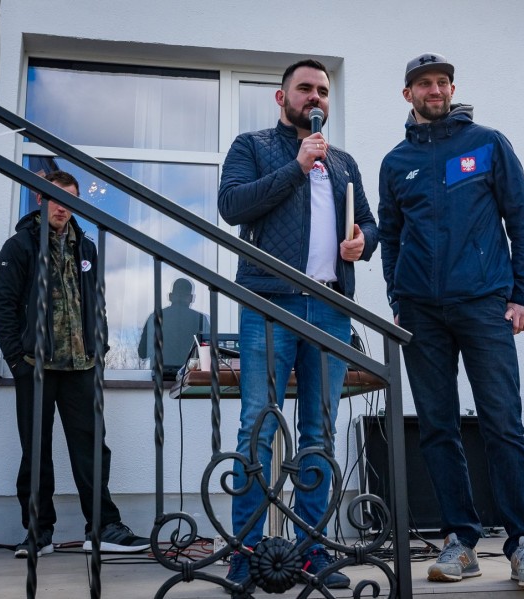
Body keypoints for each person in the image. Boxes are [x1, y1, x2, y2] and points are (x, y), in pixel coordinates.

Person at [378, 53, 524, 590]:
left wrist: (523, 295)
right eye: (423, 83)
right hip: (421, 312)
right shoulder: (396, 162)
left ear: (452, 89)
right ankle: (460, 540)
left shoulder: (487, 144)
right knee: (437, 427)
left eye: (442, 82)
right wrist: (397, 296)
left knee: (502, 422)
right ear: (407, 94)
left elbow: (523, 220)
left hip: (484, 304)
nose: (434, 90)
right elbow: (391, 235)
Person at [218, 59, 377, 589]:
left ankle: (312, 552)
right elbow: (232, 205)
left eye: (323, 91)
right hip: (270, 304)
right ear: (281, 97)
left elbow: (369, 223)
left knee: (319, 432)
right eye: (305, 89)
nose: (315, 98)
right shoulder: (253, 146)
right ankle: (246, 554)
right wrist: (297, 165)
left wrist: (363, 243)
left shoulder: (344, 162)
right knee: (258, 426)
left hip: (330, 308)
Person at [0, 170, 150, 558]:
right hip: (36, 367)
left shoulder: (86, 248)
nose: (61, 206)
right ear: (40, 200)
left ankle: (104, 528)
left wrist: (100, 349)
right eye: (54, 197)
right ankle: (38, 533)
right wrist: (17, 360)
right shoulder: (20, 246)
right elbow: (3, 305)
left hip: (82, 367)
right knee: (36, 452)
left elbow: (97, 303)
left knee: (91, 449)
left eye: (69, 199)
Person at [137, 277, 210, 377]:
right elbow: (208, 354)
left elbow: (142, 353)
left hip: (160, 377)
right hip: (190, 377)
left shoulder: (155, 317)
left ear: (170, 296)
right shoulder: (201, 320)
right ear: (191, 298)